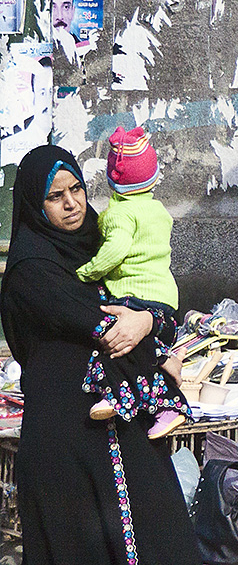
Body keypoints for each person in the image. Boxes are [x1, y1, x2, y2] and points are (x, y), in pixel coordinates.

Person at [0, 145, 201, 565]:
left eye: (76, 189)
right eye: (55, 197)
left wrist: (146, 321)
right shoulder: (31, 268)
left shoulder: (103, 244)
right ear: (35, 205)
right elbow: (101, 326)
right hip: (66, 438)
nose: (71, 203)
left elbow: (156, 309)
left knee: (160, 535)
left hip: (123, 422)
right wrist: (154, 346)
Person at [76, 126, 190, 438]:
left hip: (132, 294)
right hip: (165, 297)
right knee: (151, 353)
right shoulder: (157, 210)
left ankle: (114, 397)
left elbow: (116, 251)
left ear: (112, 181)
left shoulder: (119, 213)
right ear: (153, 179)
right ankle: (170, 407)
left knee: (115, 346)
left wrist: (89, 272)